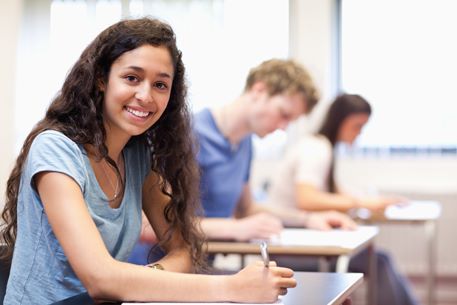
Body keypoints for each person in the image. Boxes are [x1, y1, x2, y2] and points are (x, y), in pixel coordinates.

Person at [0, 18, 296, 304]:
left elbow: (183, 250)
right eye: (132, 78)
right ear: (101, 79)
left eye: (160, 85)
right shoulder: (55, 149)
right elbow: (100, 279)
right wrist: (230, 286)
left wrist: (133, 281)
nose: (145, 95)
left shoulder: (137, 155)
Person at [267, 93, 419, 305]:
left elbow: (335, 193)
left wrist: (372, 201)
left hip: (297, 239)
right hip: (289, 249)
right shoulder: (316, 149)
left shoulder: (321, 146)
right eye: (357, 126)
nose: (359, 133)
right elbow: (307, 199)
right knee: (380, 262)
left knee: (379, 260)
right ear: (340, 121)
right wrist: (362, 203)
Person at [195, 59, 357, 244]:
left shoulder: (244, 143)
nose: (283, 127)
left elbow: (246, 210)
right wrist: (235, 228)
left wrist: (307, 219)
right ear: (259, 90)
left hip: (204, 263)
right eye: (284, 114)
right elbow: (162, 226)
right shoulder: (191, 134)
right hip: (172, 266)